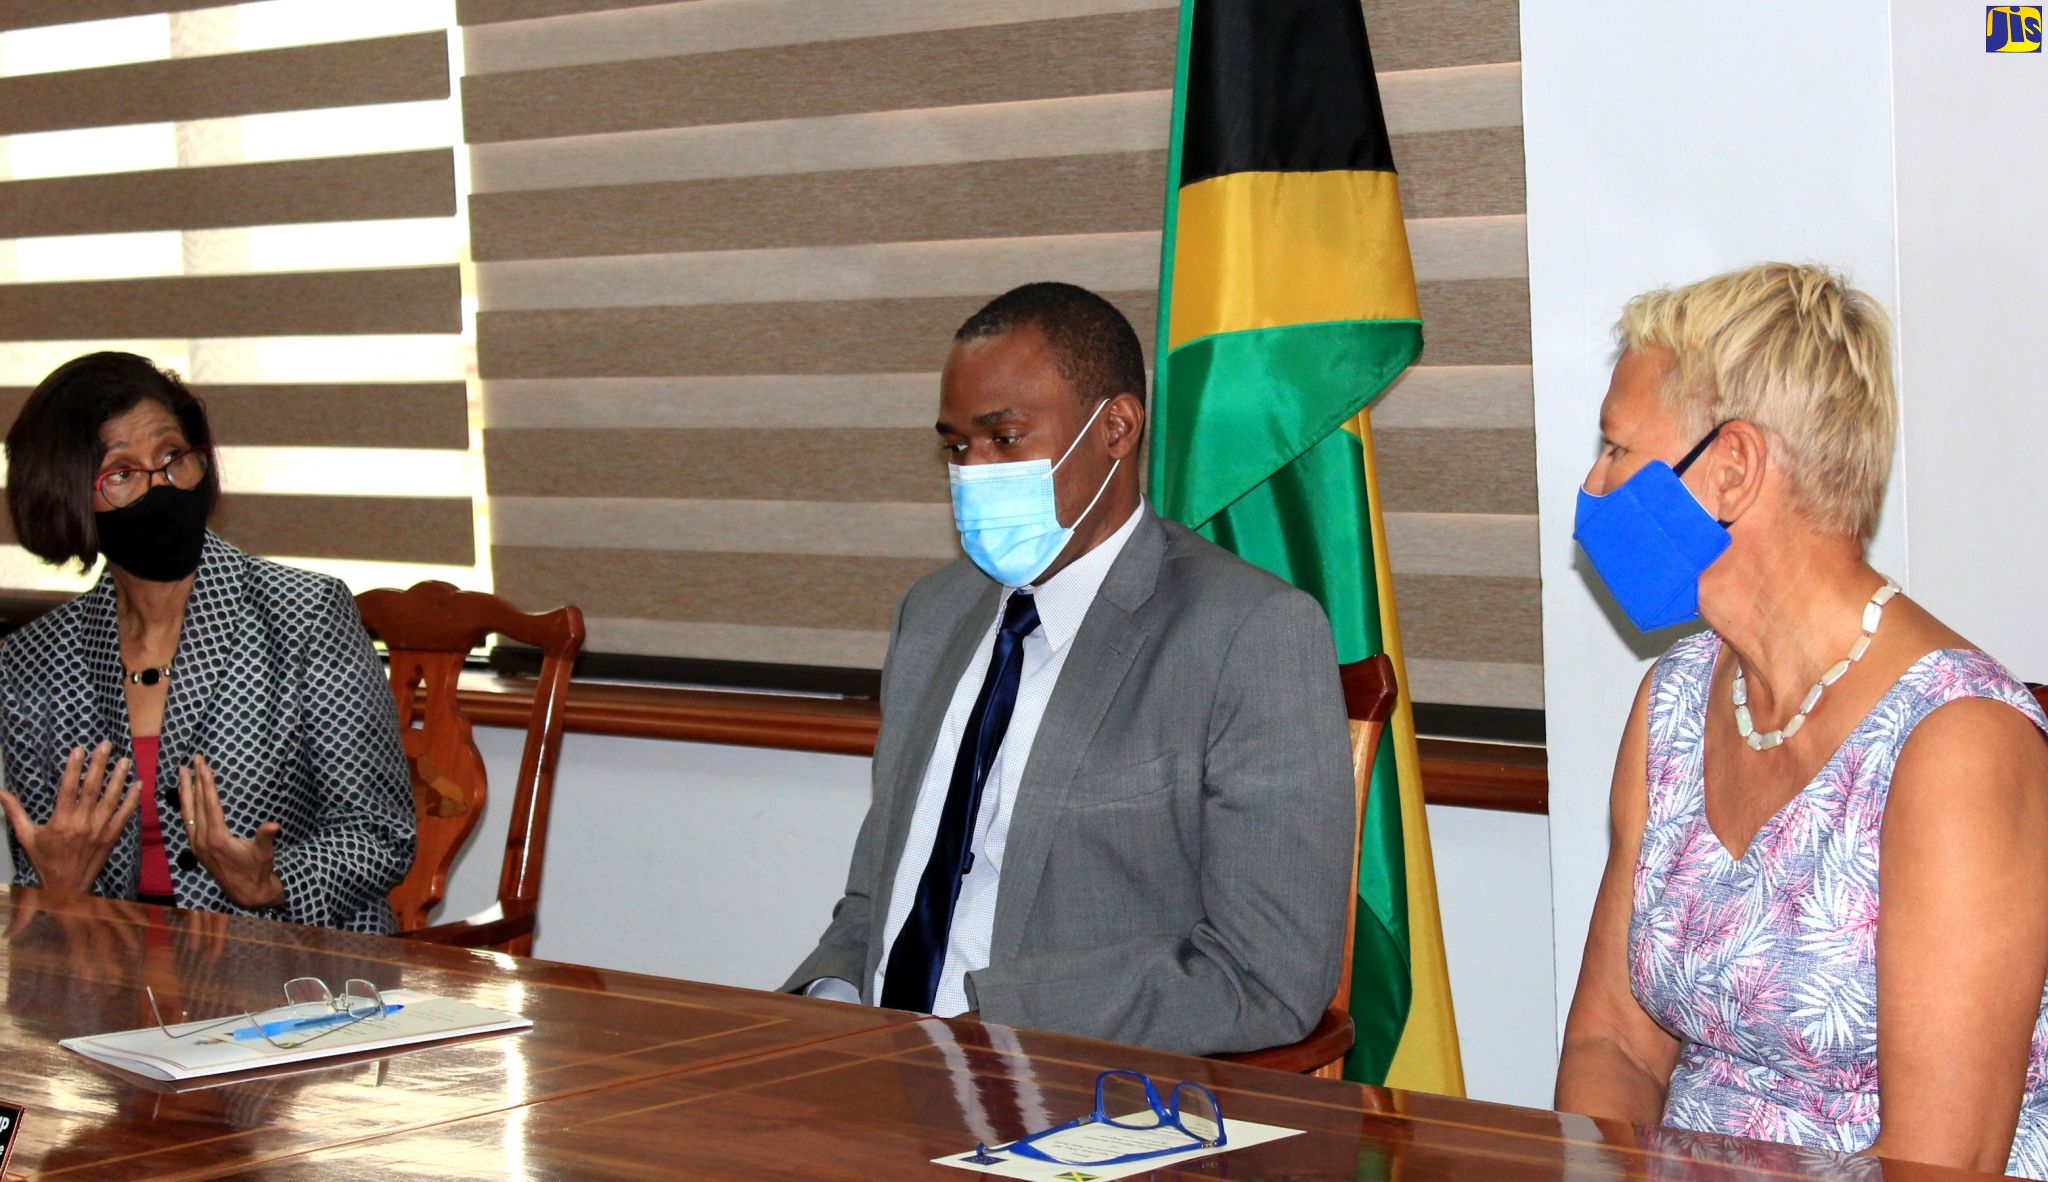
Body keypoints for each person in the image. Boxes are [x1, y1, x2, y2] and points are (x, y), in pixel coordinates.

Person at [1554, 263, 2048, 1176]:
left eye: (1617, 450)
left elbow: (1941, 1163)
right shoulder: (1672, 701)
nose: (1594, 485)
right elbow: (1614, 1045)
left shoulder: (1959, 745)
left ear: (1731, 470)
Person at [782, 282, 1355, 1055]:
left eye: (1005, 438)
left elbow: (1268, 974)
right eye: (957, 447)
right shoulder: (933, 613)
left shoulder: (1248, 633)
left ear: (1116, 427)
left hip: (1064, 1080)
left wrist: (979, 1034)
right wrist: (828, 1006)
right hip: (875, 1064)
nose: (973, 472)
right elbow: (878, 895)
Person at [0, 352, 415, 933]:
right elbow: (42, 867)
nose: (161, 485)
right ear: (66, 495)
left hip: (288, 964)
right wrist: (59, 887)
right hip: (113, 968)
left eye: (173, 457)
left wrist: (274, 882)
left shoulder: (304, 614)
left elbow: (381, 832)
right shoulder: (32, 662)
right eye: (121, 473)